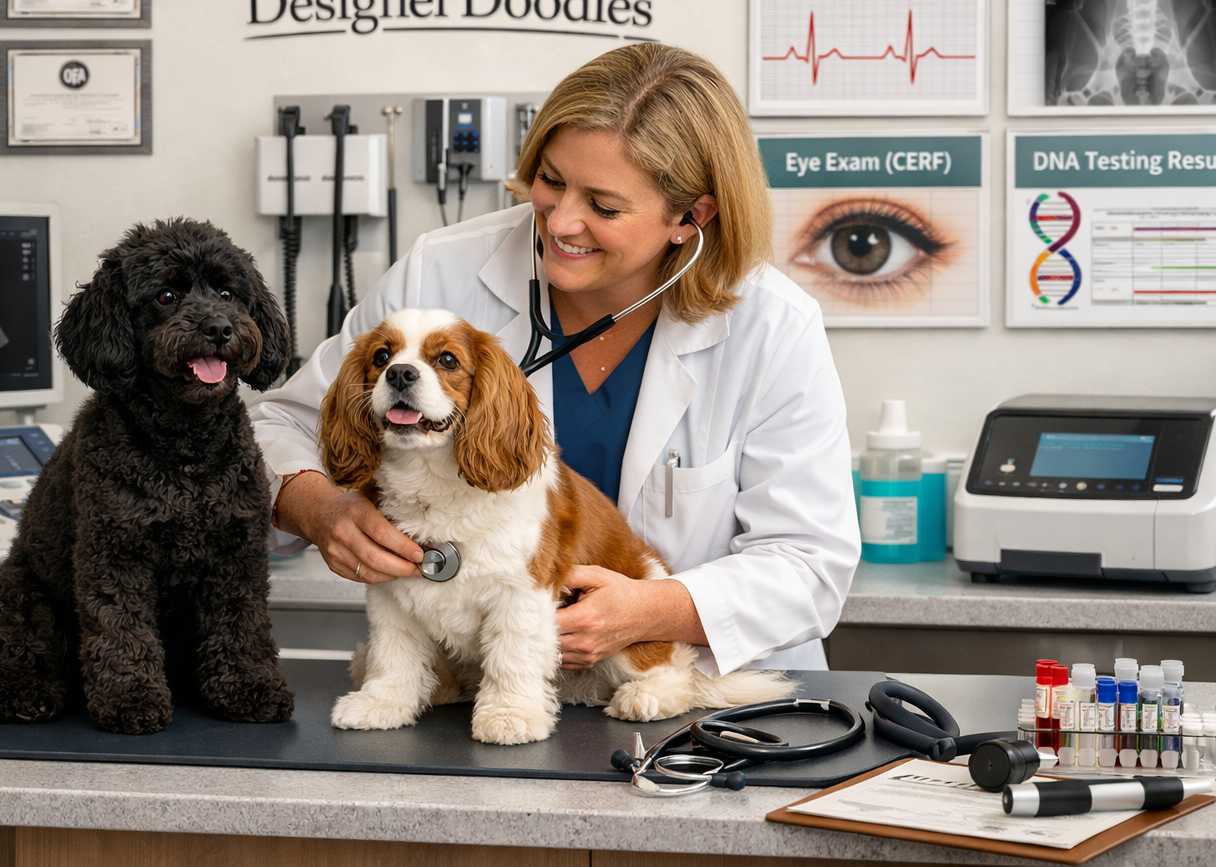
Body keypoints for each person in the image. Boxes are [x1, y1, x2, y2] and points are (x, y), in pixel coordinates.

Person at [251, 43, 859, 675]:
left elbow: (810, 564)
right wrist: (320, 507)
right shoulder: (442, 271)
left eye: (604, 206)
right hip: (485, 683)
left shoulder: (771, 326)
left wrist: (651, 611)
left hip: (700, 690)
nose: (561, 222)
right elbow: (278, 428)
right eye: (550, 181)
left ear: (690, 215)